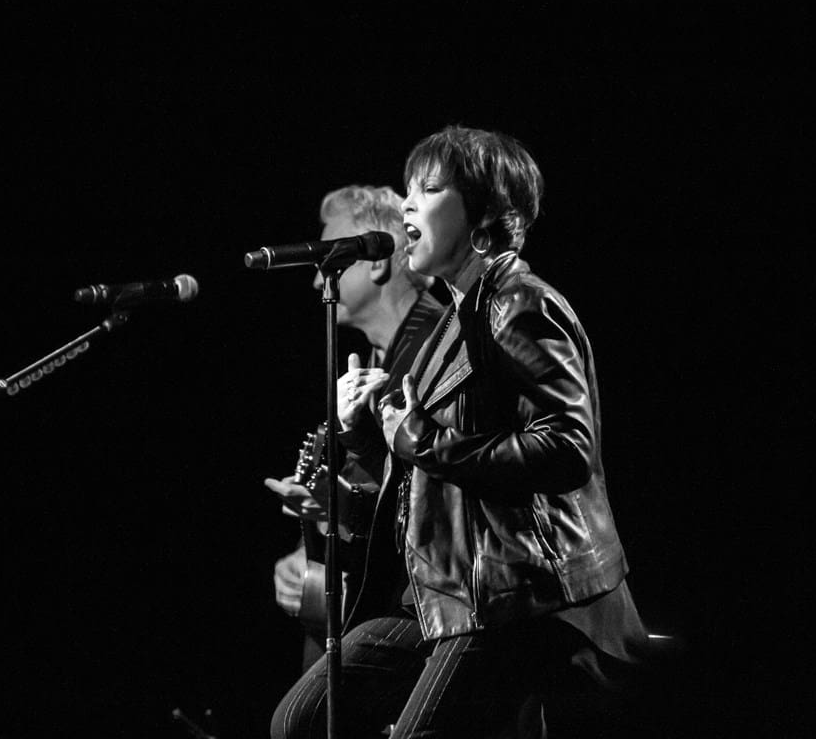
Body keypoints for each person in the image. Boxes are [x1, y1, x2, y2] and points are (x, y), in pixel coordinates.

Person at [270, 126, 647, 739]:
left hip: (520, 593)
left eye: (429, 189)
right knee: (301, 719)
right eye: (408, 190)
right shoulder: (453, 320)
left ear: (486, 214)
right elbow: (427, 474)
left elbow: (568, 448)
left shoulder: (518, 302)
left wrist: (419, 439)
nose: (408, 204)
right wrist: (368, 437)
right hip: (448, 591)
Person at [264, 184, 446, 671]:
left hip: (422, 612)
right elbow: (362, 480)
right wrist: (309, 553)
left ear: (377, 262)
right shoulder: (372, 357)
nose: (316, 280)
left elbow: (431, 499)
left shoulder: (437, 348)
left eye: (332, 260)